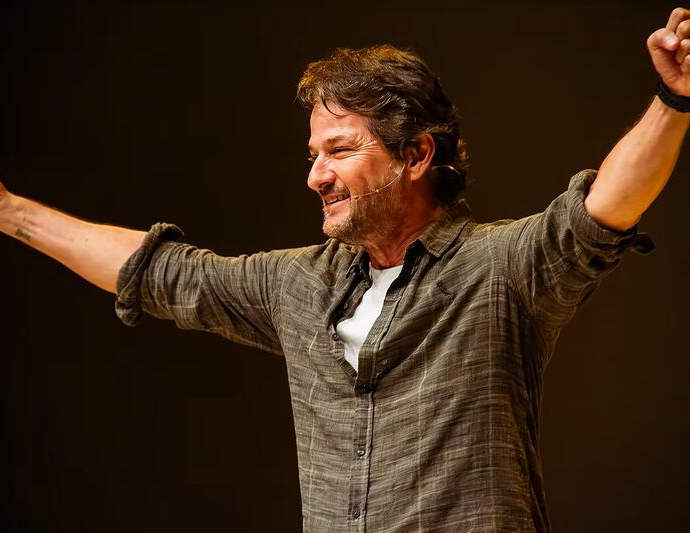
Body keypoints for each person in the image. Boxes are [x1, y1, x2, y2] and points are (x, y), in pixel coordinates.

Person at [1, 7, 688, 532]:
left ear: (415, 155)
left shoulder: (500, 268)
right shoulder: (299, 284)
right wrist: (11, 213)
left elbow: (604, 209)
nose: (316, 176)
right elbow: (162, 274)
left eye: (339, 150)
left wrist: (674, 99)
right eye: (313, 155)